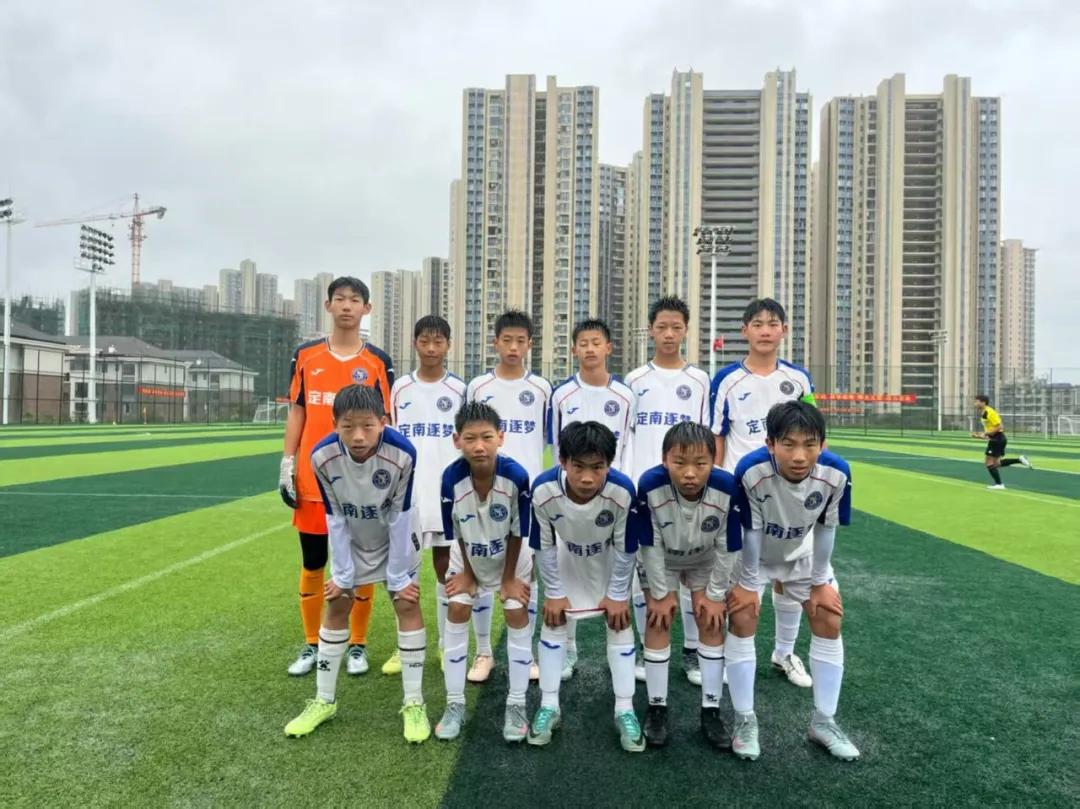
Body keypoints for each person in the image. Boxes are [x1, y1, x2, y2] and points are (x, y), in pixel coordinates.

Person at [283, 385, 429, 743]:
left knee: (406, 602)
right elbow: (334, 517)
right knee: (337, 601)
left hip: (397, 535)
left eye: (367, 426)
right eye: (348, 427)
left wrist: (398, 576)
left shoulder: (403, 453)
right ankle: (323, 700)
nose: (358, 436)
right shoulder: (321, 456)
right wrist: (343, 575)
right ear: (335, 424)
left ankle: (414, 703)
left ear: (384, 421)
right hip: (354, 534)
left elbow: (400, 515)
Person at [725, 401, 858, 761]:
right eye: (789, 444)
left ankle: (824, 722)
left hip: (802, 554)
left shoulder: (837, 472)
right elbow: (750, 529)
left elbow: (827, 527)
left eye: (810, 444)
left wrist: (820, 582)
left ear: (822, 444)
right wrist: (747, 584)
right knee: (742, 617)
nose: (799, 456)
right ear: (770, 443)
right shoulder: (750, 470)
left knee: (829, 616)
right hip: (755, 556)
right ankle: (744, 719)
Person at [278, 276, 394, 678]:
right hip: (314, 480)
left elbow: (386, 420)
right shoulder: (306, 356)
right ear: (328, 306)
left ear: (367, 309)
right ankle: (313, 643)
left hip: (362, 481)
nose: (347, 305)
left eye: (355, 299)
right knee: (314, 561)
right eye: (340, 299)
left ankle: (357, 644)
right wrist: (288, 463)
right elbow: (297, 411)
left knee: (363, 563)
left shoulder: (377, 361)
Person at [710, 297, 817, 689]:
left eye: (773, 323)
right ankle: (734, 654)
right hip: (743, 494)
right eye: (757, 324)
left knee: (789, 574)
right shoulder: (726, 380)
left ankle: (784, 652)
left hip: (791, 493)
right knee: (739, 579)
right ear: (745, 331)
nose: (766, 330)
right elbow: (717, 437)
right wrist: (719, 486)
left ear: (784, 330)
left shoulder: (799, 379)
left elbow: (814, 431)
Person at [527, 421, 644, 753]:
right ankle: (549, 705)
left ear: (610, 464)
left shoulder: (622, 491)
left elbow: (626, 547)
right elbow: (544, 546)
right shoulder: (543, 489)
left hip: (608, 558)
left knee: (619, 623)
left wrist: (618, 594)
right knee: (554, 622)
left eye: (598, 467)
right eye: (579, 467)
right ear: (563, 461)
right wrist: (553, 592)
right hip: (566, 557)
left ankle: (625, 709)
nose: (588, 478)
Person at [625, 295, 711, 686]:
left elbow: (706, 438)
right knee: (644, 575)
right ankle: (649, 649)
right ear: (650, 331)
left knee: (693, 572)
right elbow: (627, 436)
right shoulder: (634, 380)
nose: (669, 334)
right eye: (662, 327)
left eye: (676, 327)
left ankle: (692, 652)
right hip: (645, 491)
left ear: (686, 331)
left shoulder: (699, 380)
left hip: (689, 492)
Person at [635, 422, 737, 749]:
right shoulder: (650, 484)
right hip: (663, 559)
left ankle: (711, 709)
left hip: (704, 558)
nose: (690, 473)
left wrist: (716, 596)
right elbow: (649, 543)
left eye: (700, 463)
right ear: (665, 459)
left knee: (711, 620)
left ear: (714, 460)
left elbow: (728, 544)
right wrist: (660, 594)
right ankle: (657, 707)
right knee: (658, 619)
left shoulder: (727, 486)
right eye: (679, 463)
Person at [435, 402, 533, 743]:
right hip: (469, 552)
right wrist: (468, 574)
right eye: (470, 438)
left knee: (515, 609)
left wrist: (508, 579)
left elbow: (518, 531)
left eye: (487, 437)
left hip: (511, 555)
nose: (479, 446)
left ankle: (517, 703)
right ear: (456, 440)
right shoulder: (450, 478)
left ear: (500, 438)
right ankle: (454, 703)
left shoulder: (517, 476)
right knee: (457, 606)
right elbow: (457, 532)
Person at [464, 309, 551, 683]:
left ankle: (525, 654)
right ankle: (483, 652)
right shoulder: (478, 387)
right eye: (507, 340)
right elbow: (468, 436)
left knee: (525, 576)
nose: (513, 347)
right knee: (482, 570)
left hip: (525, 495)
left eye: (521, 341)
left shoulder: (542, 389)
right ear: (495, 343)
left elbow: (548, 440)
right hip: (481, 493)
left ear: (530, 345)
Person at [549, 317, 636, 680]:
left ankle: (621, 651)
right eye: (583, 343)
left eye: (596, 342)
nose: (589, 349)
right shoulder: (561, 395)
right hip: (571, 496)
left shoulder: (626, 395)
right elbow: (557, 449)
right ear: (574, 349)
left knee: (617, 571)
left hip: (613, 497)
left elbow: (627, 446)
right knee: (566, 567)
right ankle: (567, 648)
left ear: (608, 348)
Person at [390, 315, 466, 663]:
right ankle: (404, 643)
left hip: (446, 493)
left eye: (438, 342)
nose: (431, 348)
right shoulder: (400, 388)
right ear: (415, 344)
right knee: (403, 570)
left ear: (448, 345)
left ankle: (445, 643)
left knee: (445, 568)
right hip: (408, 493)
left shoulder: (460, 390)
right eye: (425, 341)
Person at [971, 395, 1031, 489]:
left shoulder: (989, 412)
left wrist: (985, 433)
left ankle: (999, 484)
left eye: (976, 401)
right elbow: (991, 430)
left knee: (989, 463)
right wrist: (979, 436)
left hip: (997, 439)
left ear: (983, 402)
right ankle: (1019, 460)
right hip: (997, 439)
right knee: (997, 464)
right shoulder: (984, 413)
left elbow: (999, 427)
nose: (975, 403)